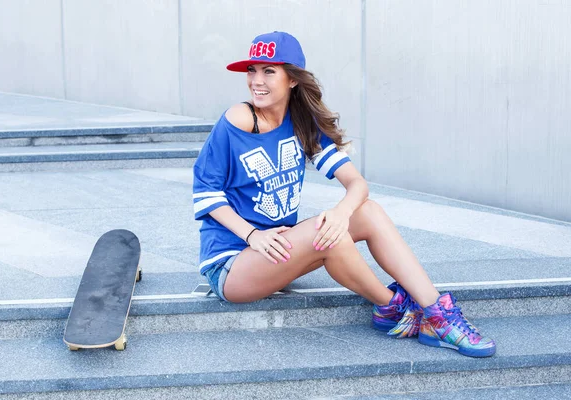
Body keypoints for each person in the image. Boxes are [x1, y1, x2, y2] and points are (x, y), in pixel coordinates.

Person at [192, 31, 496, 358]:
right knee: (330, 235)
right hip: (232, 266)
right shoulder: (240, 118)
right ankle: (391, 307)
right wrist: (253, 236)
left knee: (368, 212)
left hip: (278, 253)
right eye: (252, 70)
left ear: (293, 79)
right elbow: (206, 192)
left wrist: (341, 213)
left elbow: (357, 185)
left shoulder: (301, 122)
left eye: (269, 71)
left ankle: (437, 312)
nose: (256, 80)